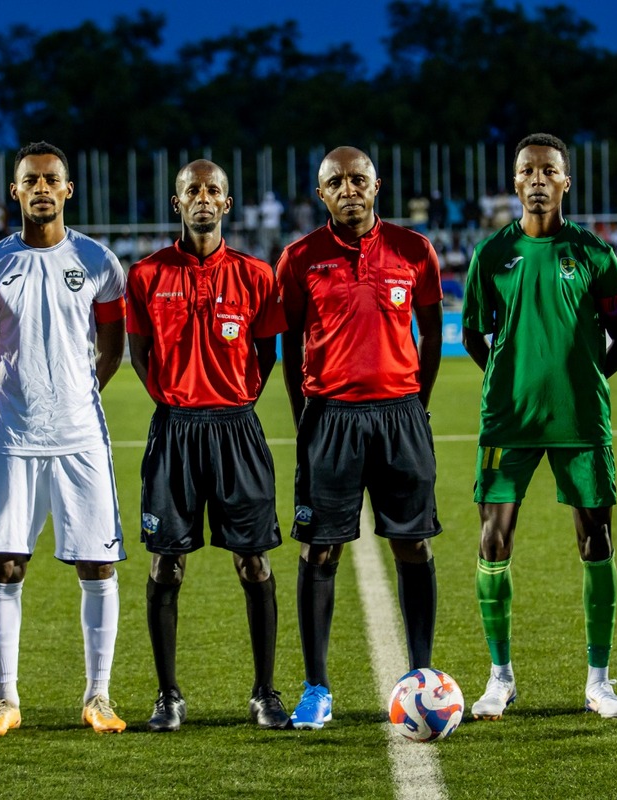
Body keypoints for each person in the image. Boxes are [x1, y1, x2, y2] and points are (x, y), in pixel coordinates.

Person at [461, 133, 617, 721]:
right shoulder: (491, 255)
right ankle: (500, 679)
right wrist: (508, 381)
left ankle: (599, 683)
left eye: (548, 171)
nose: (537, 180)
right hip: (508, 423)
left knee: (596, 541)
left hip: (580, 423)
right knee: (493, 540)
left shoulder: (594, 253)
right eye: (527, 171)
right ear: (514, 182)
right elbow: (473, 336)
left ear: (566, 181)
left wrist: (583, 381)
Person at [277, 146, 443, 730]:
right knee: (320, 549)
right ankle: (316, 688)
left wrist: (415, 405)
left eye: (358, 179)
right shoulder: (299, 257)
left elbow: (430, 335)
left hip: (400, 416)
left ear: (377, 185)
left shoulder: (414, 249)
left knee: (412, 545)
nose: (348, 189)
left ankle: (420, 676)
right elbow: (290, 346)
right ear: (321, 194)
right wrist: (305, 418)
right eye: (336, 182)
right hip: (329, 417)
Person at [0, 141, 129, 736]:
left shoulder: (98, 260)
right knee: (6, 563)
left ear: (67, 190)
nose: (41, 188)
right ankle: (5, 700)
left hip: (81, 436)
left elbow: (112, 345)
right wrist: (20, 401)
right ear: (15, 191)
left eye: (51, 179)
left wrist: (77, 395)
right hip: (13, 437)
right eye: (30, 180)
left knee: (97, 563)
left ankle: (98, 696)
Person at [126, 160, 290, 732]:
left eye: (212, 190)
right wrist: (174, 400)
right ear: (177, 203)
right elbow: (139, 352)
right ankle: (168, 695)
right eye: (191, 190)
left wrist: (234, 399)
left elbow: (267, 353)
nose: (202, 198)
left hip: (237, 429)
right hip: (174, 430)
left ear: (226, 203)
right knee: (166, 563)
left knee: (253, 561)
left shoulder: (256, 275)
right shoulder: (146, 274)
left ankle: (264, 692)